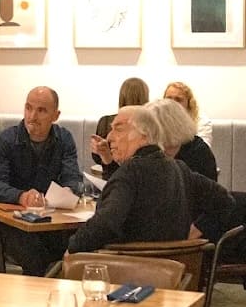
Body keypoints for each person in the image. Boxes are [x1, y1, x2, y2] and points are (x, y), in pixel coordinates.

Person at [69, 105, 233, 253]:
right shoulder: (180, 169)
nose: (109, 137)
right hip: (179, 270)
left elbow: (106, 224)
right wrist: (192, 237)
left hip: (128, 271)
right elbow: (225, 200)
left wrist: (72, 245)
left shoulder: (130, 172)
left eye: (118, 129)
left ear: (144, 135)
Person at [0, 86, 85, 275]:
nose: (32, 116)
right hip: (13, 223)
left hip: (54, 221)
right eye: (28, 108)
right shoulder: (5, 140)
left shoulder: (64, 139)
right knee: (35, 255)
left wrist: (69, 191)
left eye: (41, 110)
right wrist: (21, 196)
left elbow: (73, 178)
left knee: (82, 245)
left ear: (55, 116)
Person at [93, 77, 149, 169]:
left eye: (118, 129)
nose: (110, 137)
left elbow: (96, 156)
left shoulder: (105, 121)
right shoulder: (151, 126)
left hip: (110, 171)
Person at [164, 81, 213, 146]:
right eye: (168, 99)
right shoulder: (157, 119)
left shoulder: (201, 121)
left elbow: (203, 149)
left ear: (189, 103)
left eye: (178, 99)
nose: (172, 103)